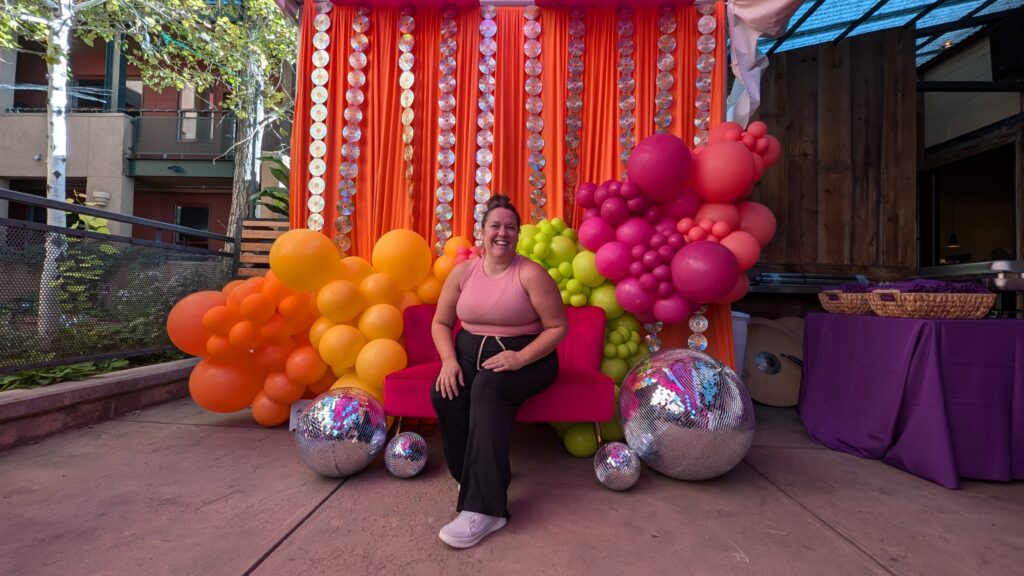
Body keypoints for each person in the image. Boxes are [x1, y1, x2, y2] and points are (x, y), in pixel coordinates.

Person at [430, 195, 567, 549]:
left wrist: (520, 359)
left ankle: (487, 510)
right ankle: (471, 479)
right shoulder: (464, 272)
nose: (502, 233)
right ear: (482, 232)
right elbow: (442, 322)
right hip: (467, 355)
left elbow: (557, 328)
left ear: (517, 234)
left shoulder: (530, 273)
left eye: (510, 227)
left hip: (527, 359)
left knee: (488, 389)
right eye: (495, 226)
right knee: (446, 392)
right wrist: (448, 361)